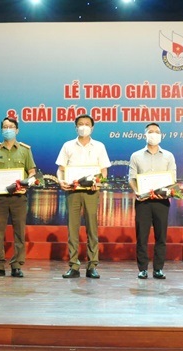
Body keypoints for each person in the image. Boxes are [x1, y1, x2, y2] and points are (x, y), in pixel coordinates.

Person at [55, 114, 111, 279]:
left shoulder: (99, 146)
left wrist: (99, 182)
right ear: (75, 127)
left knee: (92, 229)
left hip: (91, 192)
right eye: (80, 124)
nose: (84, 126)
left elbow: (104, 170)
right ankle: (73, 266)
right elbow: (61, 168)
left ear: (92, 128)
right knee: (73, 228)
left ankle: (92, 265)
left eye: (87, 124)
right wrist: (60, 181)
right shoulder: (68, 146)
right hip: (72, 192)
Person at [0, 117, 36, 278]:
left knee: (19, 232)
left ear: (17, 130)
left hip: (19, 198)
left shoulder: (25, 150)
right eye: (5, 127)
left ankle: (16, 265)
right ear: (1, 130)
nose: (8, 129)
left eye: (11, 127)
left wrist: (26, 183)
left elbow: (32, 172)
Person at [128, 123, 177, 279]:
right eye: (150, 132)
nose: (153, 134)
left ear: (161, 135)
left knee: (161, 236)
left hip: (161, 201)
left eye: (156, 132)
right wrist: (137, 192)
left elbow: (172, 179)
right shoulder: (136, 156)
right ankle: (142, 268)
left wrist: (166, 191)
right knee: (142, 236)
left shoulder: (168, 156)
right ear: (145, 135)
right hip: (143, 201)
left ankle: (158, 269)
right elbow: (132, 178)